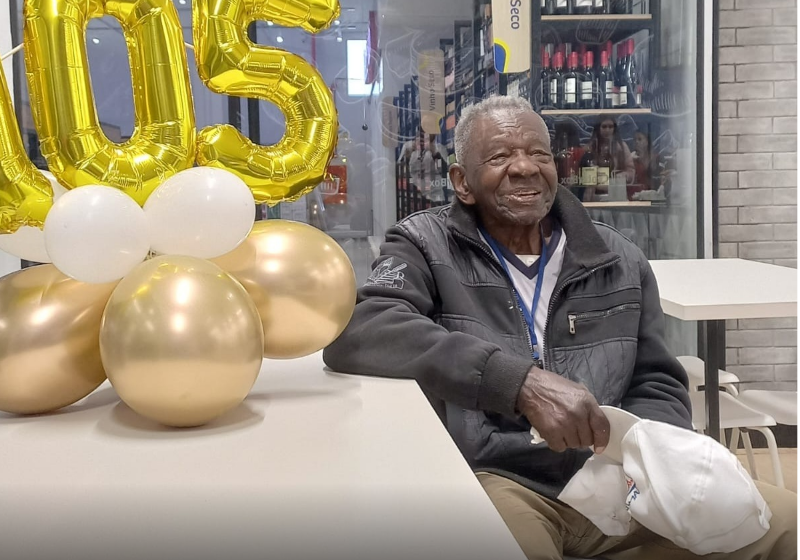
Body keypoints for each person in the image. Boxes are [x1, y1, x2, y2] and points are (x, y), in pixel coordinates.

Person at [323, 95, 796, 560]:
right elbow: (363, 329)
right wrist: (519, 384)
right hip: (501, 476)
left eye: (539, 154)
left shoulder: (618, 258)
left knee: (783, 522)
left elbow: (656, 379)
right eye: (500, 157)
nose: (524, 167)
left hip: (617, 475)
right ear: (462, 182)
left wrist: (645, 451)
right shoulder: (425, 245)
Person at [584, 116, 635, 201]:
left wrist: (620, 176)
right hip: (594, 195)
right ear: (598, 128)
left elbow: (631, 171)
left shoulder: (622, 147)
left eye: (610, 127)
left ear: (614, 128)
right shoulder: (590, 147)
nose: (607, 130)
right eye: (604, 127)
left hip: (615, 194)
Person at [397, 127, 450, 205]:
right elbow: (398, 172)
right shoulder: (409, 148)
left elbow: (445, 172)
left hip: (435, 197)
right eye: (419, 136)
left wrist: (435, 153)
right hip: (414, 197)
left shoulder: (439, 148)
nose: (422, 141)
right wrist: (406, 158)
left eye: (426, 138)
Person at [631, 130, 660, 197]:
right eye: (635, 140)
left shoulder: (656, 158)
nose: (636, 142)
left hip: (654, 194)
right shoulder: (632, 159)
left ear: (647, 142)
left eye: (639, 139)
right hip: (637, 195)